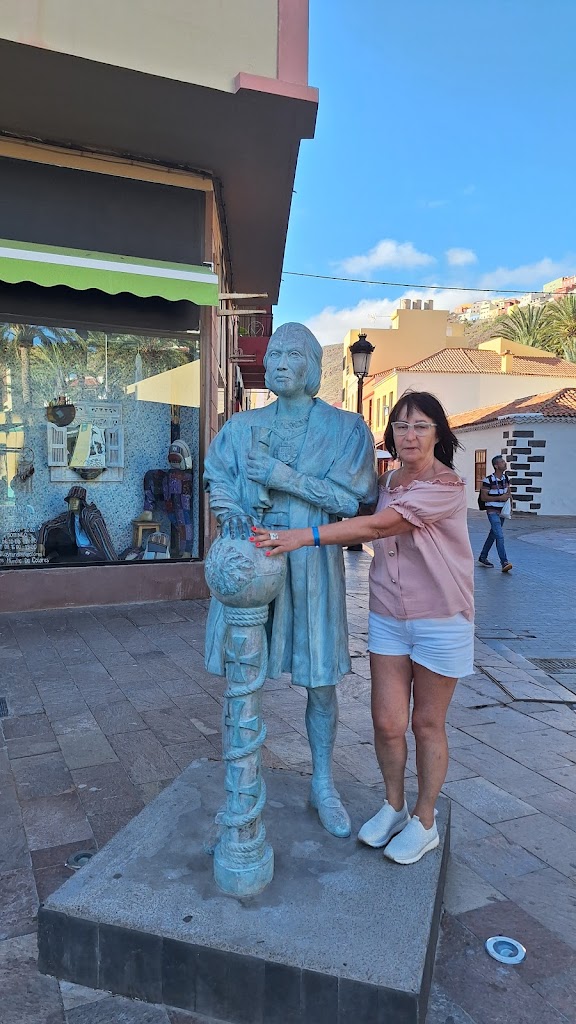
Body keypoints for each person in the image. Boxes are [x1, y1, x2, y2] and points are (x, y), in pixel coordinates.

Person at [252, 391, 474, 865]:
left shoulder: (447, 487)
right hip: (389, 617)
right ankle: (394, 806)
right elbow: (347, 503)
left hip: (440, 620)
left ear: (439, 433)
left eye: (420, 426)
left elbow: (374, 528)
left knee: (426, 724)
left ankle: (425, 819)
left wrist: (299, 536)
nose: (409, 434)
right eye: (401, 425)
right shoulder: (388, 480)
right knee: (387, 723)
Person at [203, 323, 377, 839]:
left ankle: (322, 783)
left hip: (311, 562)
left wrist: (283, 477)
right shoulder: (239, 428)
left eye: (293, 353)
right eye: (274, 352)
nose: (279, 361)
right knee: (242, 674)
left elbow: (351, 502)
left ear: (314, 369)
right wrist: (231, 512)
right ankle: (242, 783)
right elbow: (218, 480)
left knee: (320, 680)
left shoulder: (347, 430)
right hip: (252, 559)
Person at [478, 455, 513, 572]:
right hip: (492, 511)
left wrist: (510, 504)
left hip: (502, 511)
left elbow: (509, 492)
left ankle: (483, 557)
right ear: (496, 466)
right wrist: (500, 498)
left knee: (493, 534)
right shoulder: (488, 480)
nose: (505, 463)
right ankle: (504, 562)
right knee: (499, 535)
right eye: (502, 462)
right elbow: (484, 497)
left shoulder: (506, 478)